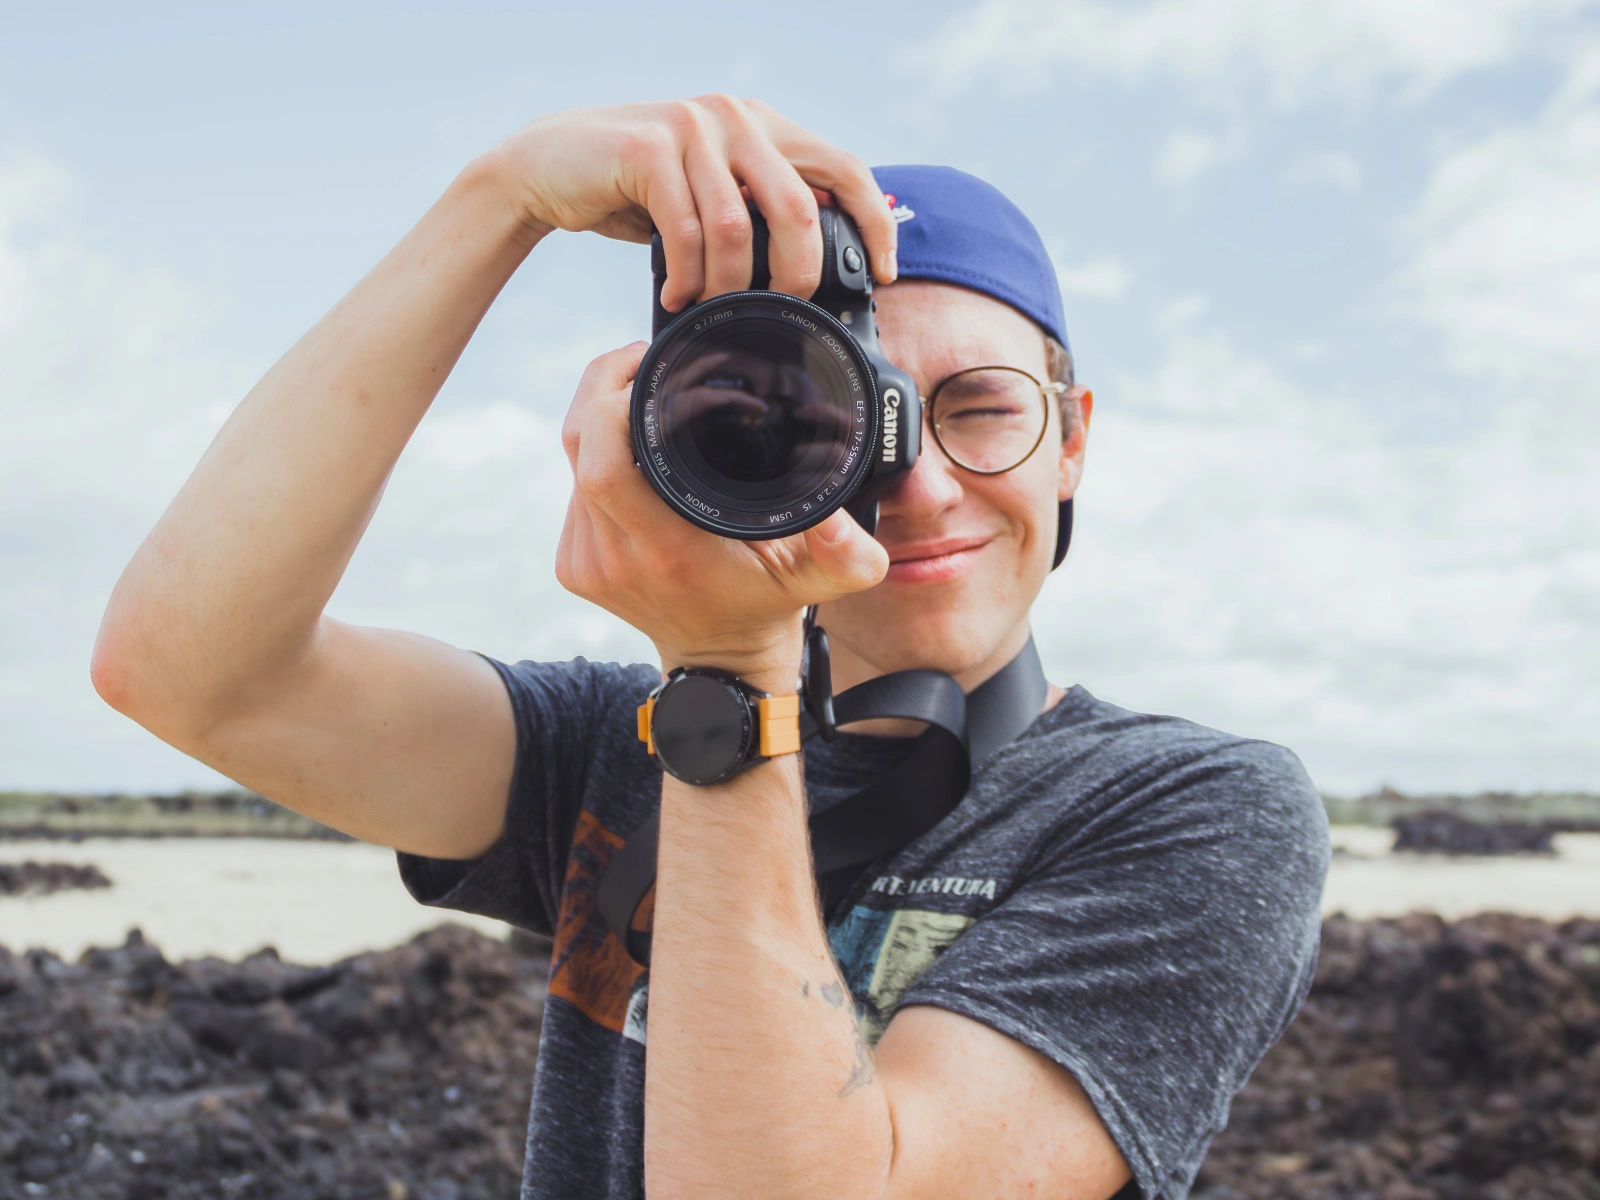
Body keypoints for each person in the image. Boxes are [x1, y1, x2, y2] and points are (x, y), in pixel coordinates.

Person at [93, 96, 1330, 1200]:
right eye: (857, 423)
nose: (926, 486)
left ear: (1072, 441)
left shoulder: (1193, 812)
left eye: (987, 409)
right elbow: (192, 670)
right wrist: (499, 200)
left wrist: (729, 678)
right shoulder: (615, 748)